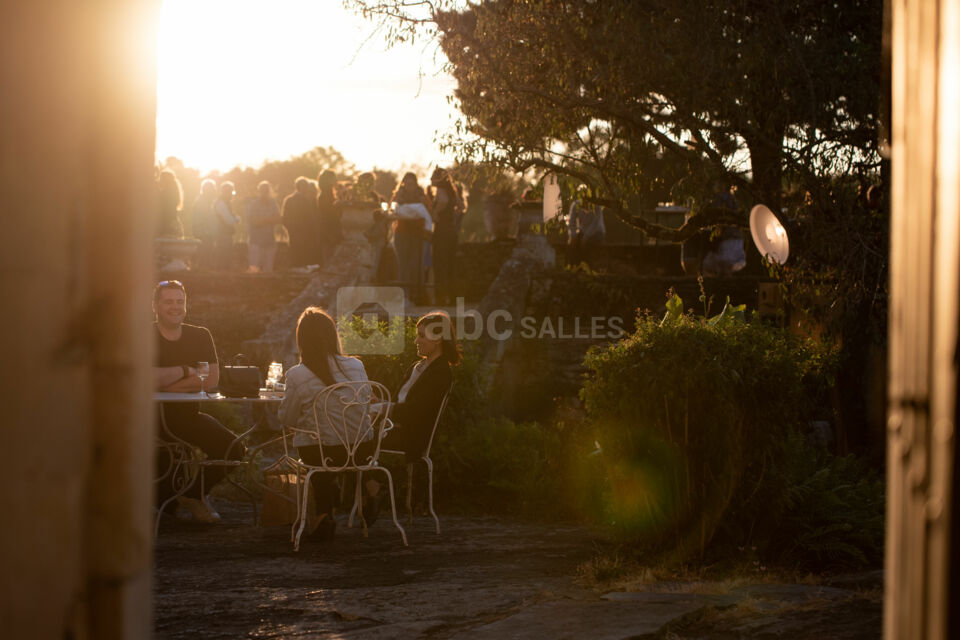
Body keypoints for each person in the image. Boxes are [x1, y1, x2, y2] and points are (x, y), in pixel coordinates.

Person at [278, 307, 376, 540]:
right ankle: (369, 485)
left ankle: (324, 513)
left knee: (314, 443)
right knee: (329, 438)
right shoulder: (356, 365)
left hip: (323, 454)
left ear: (302, 340)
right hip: (361, 450)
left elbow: (286, 418)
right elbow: (366, 402)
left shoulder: (297, 374)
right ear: (333, 335)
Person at [153, 279, 245, 522]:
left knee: (234, 449)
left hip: (187, 417)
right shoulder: (143, 334)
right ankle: (171, 502)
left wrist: (164, 383)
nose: (175, 307)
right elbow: (142, 378)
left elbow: (211, 379)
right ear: (156, 306)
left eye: (180, 301)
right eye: (168, 302)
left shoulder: (200, 335)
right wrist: (186, 371)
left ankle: (194, 495)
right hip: (150, 419)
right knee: (165, 504)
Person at [381, 311, 459, 471]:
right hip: (394, 430)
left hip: (410, 437)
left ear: (438, 339)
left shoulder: (440, 372)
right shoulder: (416, 367)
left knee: (354, 438)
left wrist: (381, 408)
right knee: (352, 434)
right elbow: (398, 402)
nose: (416, 340)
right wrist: (380, 403)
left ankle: (367, 483)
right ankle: (369, 482)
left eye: (422, 336)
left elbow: (415, 411)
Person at [391, 172, 432, 302]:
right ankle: (404, 294)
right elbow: (392, 211)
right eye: (407, 183)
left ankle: (416, 294)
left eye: (411, 184)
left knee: (416, 265)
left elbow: (429, 212)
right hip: (402, 233)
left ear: (415, 184)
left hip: (417, 234)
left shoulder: (421, 196)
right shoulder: (399, 196)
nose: (409, 186)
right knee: (402, 265)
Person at [429, 168, 460, 304]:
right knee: (451, 264)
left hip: (442, 230)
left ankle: (440, 297)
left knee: (439, 263)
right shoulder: (452, 190)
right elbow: (460, 206)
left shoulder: (441, 190)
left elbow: (443, 201)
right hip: (451, 230)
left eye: (433, 176)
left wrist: (435, 213)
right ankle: (453, 297)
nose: (430, 179)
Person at [282, 177, 320, 268]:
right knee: (303, 258)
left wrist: (290, 230)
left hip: (293, 234)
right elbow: (310, 219)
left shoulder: (288, 200)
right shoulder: (305, 201)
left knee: (295, 257)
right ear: (303, 187)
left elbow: (285, 218)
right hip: (304, 235)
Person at [246, 181, 282, 273]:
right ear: (259, 191)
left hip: (269, 241)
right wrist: (269, 220)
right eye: (262, 190)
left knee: (268, 270)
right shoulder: (254, 204)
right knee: (254, 269)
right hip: (256, 242)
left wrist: (263, 220)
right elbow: (254, 222)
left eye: (266, 190)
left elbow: (278, 219)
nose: (264, 193)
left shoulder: (273, 203)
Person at [316, 170, 343, 266]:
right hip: (329, 234)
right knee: (330, 261)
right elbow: (329, 216)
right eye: (334, 178)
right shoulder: (325, 196)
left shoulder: (327, 195)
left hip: (329, 233)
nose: (336, 180)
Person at [191, 179, 218, 270]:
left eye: (212, 189)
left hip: (206, 232)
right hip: (203, 232)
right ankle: (202, 269)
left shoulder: (207, 201)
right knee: (204, 252)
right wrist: (205, 232)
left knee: (207, 252)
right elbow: (200, 219)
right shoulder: (201, 202)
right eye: (210, 189)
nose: (212, 191)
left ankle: (204, 268)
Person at [214, 181, 239, 270]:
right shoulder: (222, 204)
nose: (232, 195)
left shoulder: (223, 203)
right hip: (223, 234)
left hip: (223, 233)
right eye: (230, 192)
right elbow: (229, 221)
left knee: (224, 257)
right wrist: (237, 218)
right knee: (224, 257)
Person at [156, 169, 184, 238]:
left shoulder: (165, 194)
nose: (159, 180)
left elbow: (165, 213)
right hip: (172, 224)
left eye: (161, 179)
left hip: (166, 226)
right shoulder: (173, 193)